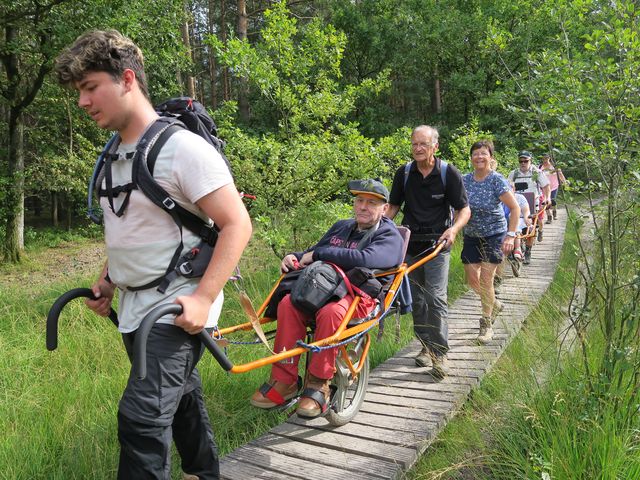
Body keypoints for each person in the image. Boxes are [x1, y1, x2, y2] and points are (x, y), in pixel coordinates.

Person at [55, 30, 252, 479]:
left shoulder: (182, 149)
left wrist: (203, 299)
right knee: (179, 399)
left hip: (175, 304)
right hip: (133, 307)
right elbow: (131, 228)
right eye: (78, 92)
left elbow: (237, 224)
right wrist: (108, 279)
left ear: (126, 79)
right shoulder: (113, 155)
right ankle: (205, 472)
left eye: (90, 87)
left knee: (142, 418)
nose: (83, 102)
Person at [250, 179, 404, 417]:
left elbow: (365, 259)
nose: (363, 206)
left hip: (359, 297)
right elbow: (312, 251)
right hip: (323, 289)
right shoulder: (341, 227)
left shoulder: (388, 235)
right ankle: (284, 380)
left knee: (331, 313)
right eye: (359, 201)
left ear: (384, 209)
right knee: (288, 304)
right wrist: (294, 257)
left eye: (371, 203)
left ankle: (318, 383)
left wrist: (319, 254)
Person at [387, 125, 471, 379]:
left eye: (423, 144)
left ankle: (440, 354)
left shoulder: (448, 173)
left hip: (438, 245)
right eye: (414, 144)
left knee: (435, 297)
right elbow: (392, 206)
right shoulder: (403, 173)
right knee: (418, 301)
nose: (418, 149)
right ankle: (426, 345)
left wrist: (454, 230)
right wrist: (378, 228)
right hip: (410, 246)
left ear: (436, 146)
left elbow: (464, 210)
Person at [462, 141, 520, 344]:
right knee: (472, 279)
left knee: (487, 279)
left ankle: (486, 324)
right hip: (471, 234)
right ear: (471, 158)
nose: (479, 157)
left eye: (483, 153)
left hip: (494, 234)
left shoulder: (497, 180)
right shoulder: (464, 181)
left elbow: (515, 208)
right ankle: (494, 303)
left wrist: (511, 235)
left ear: (490, 157)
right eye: (476, 154)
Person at [507, 151, 551, 264]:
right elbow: (507, 187)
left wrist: (547, 198)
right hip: (515, 201)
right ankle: (515, 248)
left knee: (531, 226)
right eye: (520, 161)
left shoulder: (537, 172)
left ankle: (528, 251)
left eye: (525, 161)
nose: (523, 163)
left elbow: (546, 186)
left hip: (532, 202)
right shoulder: (514, 173)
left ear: (530, 161)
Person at [494, 182, 531, 289]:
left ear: (514, 189)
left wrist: (526, 218)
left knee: (516, 225)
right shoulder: (501, 198)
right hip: (504, 222)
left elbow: (525, 210)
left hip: (519, 220)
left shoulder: (520, 197)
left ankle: (518, 248)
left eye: (511, 188)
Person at [539, 154, 566, 223]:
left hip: (554, 186)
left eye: (546, 158)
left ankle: (554, 211)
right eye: (543, 159)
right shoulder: (540, 167)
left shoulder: (554, 167)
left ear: (549, 158)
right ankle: (549, 216)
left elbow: (560, 174)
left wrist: (564, 182)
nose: (544, 160)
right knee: (545, 202)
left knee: (552, 200)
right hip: (544, 187)